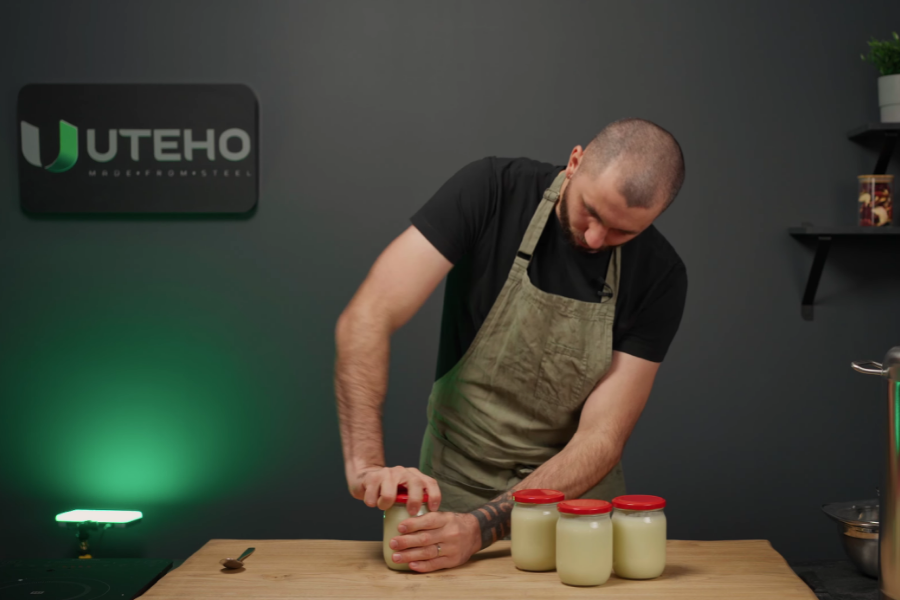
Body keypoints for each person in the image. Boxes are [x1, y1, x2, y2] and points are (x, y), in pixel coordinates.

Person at [335, 118, 687, 573]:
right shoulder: (491, 191)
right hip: (455, 488)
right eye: (591, 212)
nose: (597, 239)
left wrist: (483, 527)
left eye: (624, 232)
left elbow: (602, 438)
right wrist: (365, 466)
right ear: (575, 162)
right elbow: (368, 316)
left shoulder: (661, 275)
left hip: (574, 510)